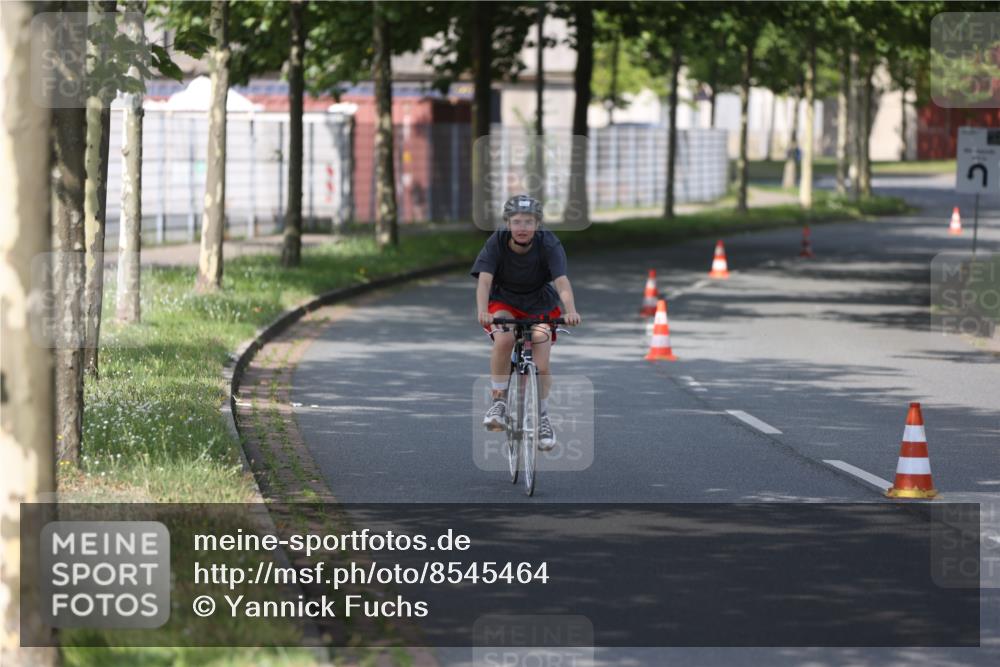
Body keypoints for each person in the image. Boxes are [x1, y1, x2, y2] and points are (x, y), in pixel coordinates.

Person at [470, 194, 582, 448]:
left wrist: (571, 310)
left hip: (540, 303)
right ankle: (498, 402)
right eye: (517, 222)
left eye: (528, 222)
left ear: (537, 225)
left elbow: (561, 281)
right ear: (507, 223)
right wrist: (482, 311)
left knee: (541, 357)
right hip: (504, 302)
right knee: (504, 337)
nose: (522, 228)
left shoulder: (549, 243)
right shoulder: (496, 241)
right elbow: (485, 280)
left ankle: (542, 418)